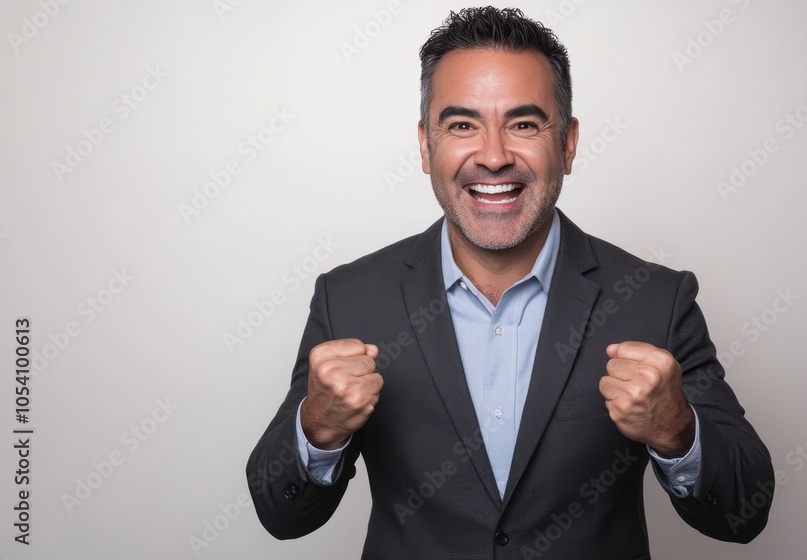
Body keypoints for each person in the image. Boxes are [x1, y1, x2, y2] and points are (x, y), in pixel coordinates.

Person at [247, 7, 773, 558]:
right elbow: (280, 513)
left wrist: (678, 433)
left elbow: (744, 513)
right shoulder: (349, 299)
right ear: (426, 146)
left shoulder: (656, 301)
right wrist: (316, 429)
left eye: (523, 124)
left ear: (567, 143)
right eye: (462, 125)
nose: (494, 157)